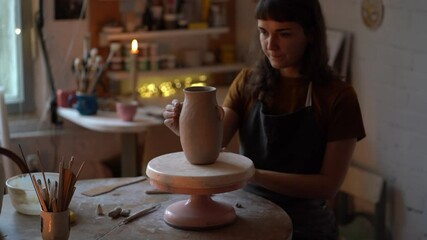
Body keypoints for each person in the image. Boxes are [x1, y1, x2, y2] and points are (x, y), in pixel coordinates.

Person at [163, 0, 365, 239]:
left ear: (310, 34)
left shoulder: (338, 96)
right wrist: (187, 128)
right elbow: (212, 146)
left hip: (306, 223)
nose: (271, 45)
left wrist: (251, 173)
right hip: (247, 210)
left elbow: (328, 185)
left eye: (284, 34)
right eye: (263, 32)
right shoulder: (248, 82)